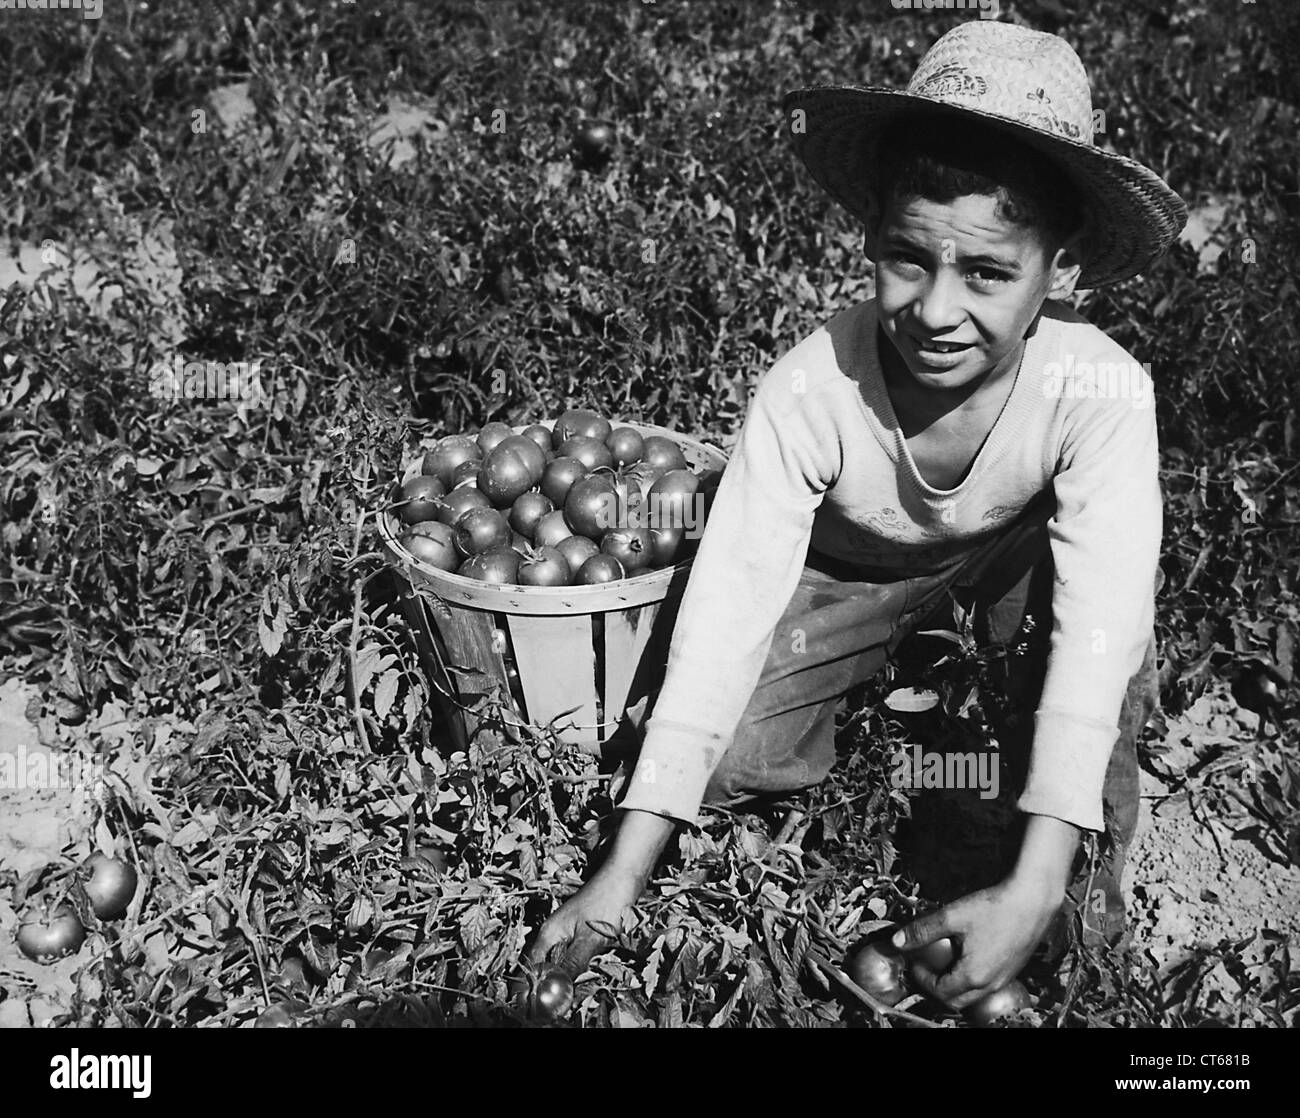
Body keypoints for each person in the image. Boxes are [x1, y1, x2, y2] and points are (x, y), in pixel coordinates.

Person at [527, 19, 1187, 1011]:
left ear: (1063, 270)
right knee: (730, 758)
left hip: (1009, 569)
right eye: (906, 257)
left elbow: (1101, 628)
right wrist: (620, 869)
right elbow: (729, 607)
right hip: (850, 572)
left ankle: (1070, 909)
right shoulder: (810, 391)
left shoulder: (1099, 391)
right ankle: (893, 699)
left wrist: (1040, 870)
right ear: (871, 236)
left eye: (988, 273)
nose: (934, 307)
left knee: (1093, 657)